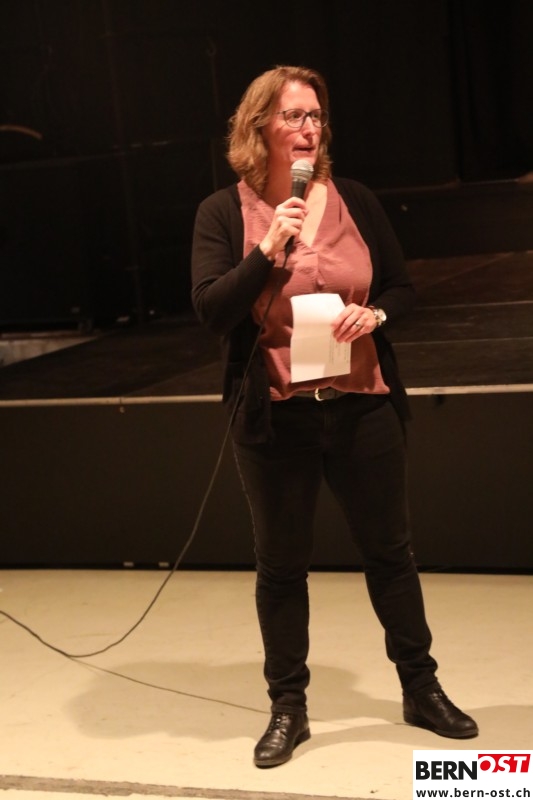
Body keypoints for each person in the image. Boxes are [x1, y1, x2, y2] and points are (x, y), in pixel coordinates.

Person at [190, 65, 478, 768]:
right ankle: (288, 707)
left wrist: (374, 315)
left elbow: (402, 289)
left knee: (390, 554)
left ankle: (421, 688)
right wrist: (266, 250)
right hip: (277, 418)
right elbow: (212, 310)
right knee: (282, 567)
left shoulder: (355, 199)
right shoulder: (223, 213)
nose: (309, 128)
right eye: (293, 115)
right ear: (259, 125)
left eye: (316, 116)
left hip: (361, 407)